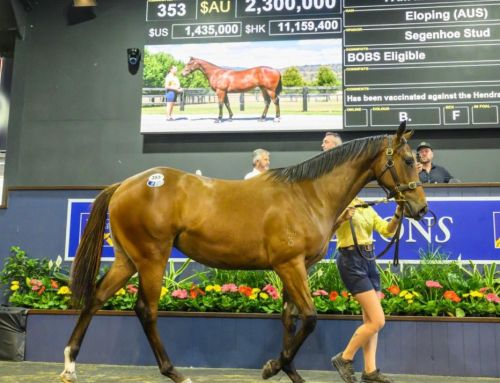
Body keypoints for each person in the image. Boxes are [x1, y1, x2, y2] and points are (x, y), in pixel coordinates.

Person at [332, 197, 403, 383]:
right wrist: (341, 218)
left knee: (372, 321)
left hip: (369, 260)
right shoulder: (339, 203)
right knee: (378, 320)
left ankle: (370, 371)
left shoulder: (365, 206)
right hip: (350, 261)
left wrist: (397, 213)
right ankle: (345, 357)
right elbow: (325, 229)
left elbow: (386, 231)